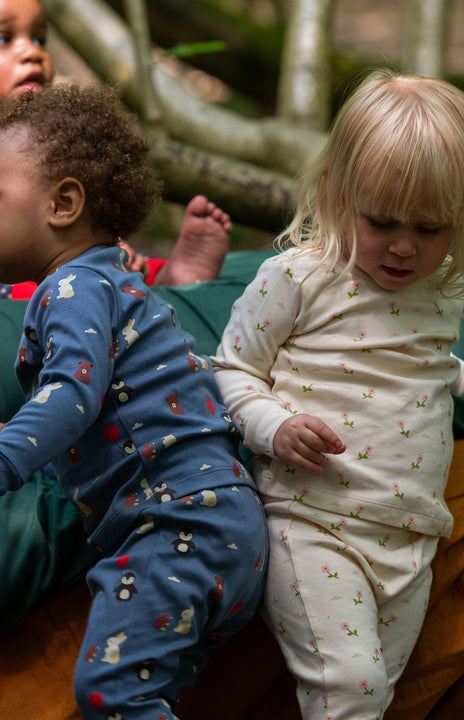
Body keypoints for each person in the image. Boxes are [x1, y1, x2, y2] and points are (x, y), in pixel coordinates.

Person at [211, 69, 464, 720]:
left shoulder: (440, 293)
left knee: (376, 697)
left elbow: (432, 372)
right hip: (313, 526)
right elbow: (231, 369)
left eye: (431, 228)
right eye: (382, 221)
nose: (404, 247)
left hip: (409, 540)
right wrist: (273, 426)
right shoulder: (301, 278)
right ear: (337, 193)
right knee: (350, 693)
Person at [0, 83, 267, 719]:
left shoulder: (72, 288)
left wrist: (6, 456)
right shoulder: (109, 278)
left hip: (178, 526)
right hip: (219, 528)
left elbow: (72, 393)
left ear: (63, 203)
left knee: (110, 692)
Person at [0, 0, 230, 300]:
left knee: (104, 254)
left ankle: (167, 276)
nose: (32, 52)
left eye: (39, 39)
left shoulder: (52, 142)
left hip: (66, 271)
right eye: (4, 38)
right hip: (18, 279)